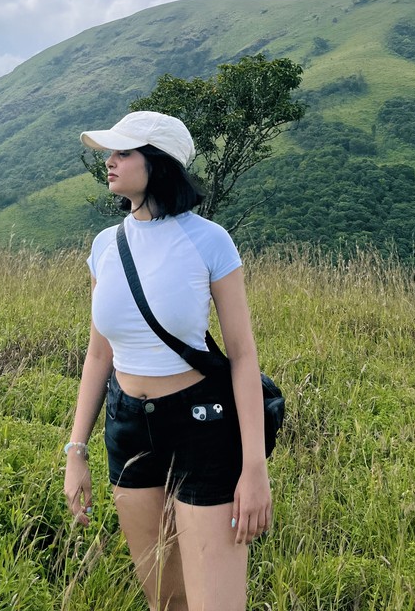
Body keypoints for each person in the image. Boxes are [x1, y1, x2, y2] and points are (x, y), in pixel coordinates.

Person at [64, 110, 271, 611]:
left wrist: (254, 468)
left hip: (201, 425)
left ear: (157, 163)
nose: (109, 162)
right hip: (128, 426)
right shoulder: (105, 246)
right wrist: (76, 450)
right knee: (165, 600)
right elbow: (99, 353)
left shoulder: (209, 240)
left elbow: (243, 356)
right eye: (110, 153)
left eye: (123, 152)